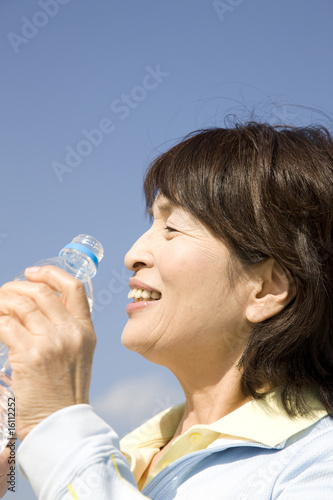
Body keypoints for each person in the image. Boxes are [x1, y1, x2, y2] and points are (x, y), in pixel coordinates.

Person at [0, 121, 332, 499]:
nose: (132, 256)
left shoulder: (315, 465)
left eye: (172, 227)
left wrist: (58, 422)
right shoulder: (130, 456)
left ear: (266, 289)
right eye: (152, 223)